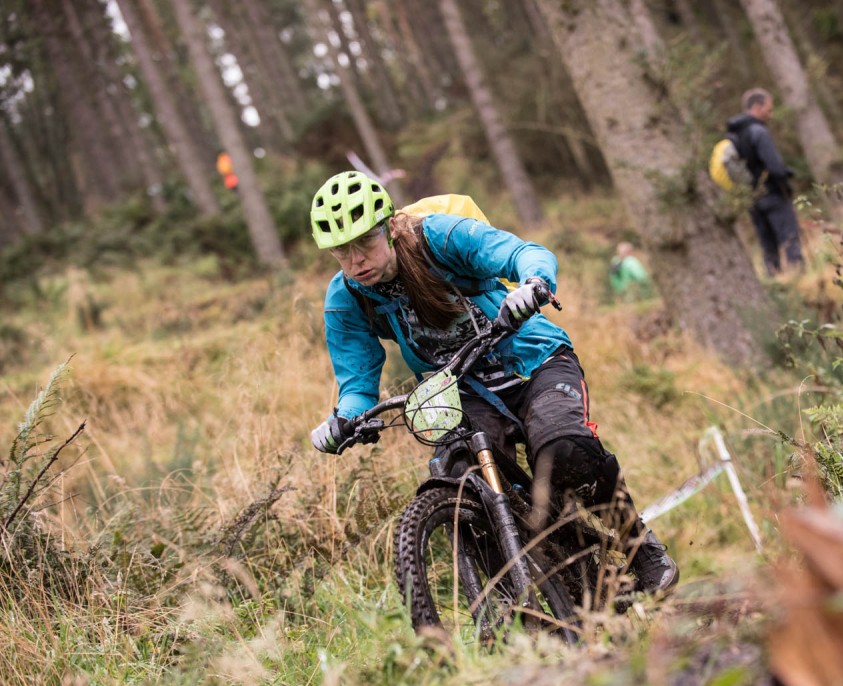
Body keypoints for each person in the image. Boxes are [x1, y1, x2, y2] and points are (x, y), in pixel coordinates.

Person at [307, 171, 678, 596]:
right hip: (463, 391)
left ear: (390, 228)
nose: (356, 261)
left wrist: (534, 284)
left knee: (562, 448)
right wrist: (345, 420)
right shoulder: (347, 297)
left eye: (364, 242)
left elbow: (521, 252)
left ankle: (640, 546)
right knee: (462, 480)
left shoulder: (439, 238)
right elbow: (356, 381)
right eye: (341, 251)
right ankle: (529, 602)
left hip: (533, 363)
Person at [726, 88, 804, 276]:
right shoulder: (758, 131)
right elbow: (775, 166)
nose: (770, 113)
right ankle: (800, 277)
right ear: (757, 107)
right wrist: (786, 177)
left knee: (768, 247)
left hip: (752, 200)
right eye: (769, 109)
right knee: (790, 239)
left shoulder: (734, 136)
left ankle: (775, 281)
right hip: (773, 195)